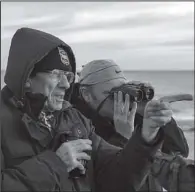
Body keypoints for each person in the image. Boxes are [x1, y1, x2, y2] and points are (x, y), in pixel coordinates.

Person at [1, 28, 171, 192]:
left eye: (68, 76)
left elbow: (116, 180)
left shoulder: (74, 119)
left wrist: (146, 136)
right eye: (56, 74)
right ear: (27, 78)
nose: (66, 85)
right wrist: (55, 164)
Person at [71, 59, 192, 191]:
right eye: (112, 94)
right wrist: (123, 139)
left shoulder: (134, 116)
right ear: (87, 95)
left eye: (122, 91)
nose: (121, 100)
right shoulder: (76, 127)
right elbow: (113, 182)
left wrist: (159, 118)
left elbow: (179, 151)